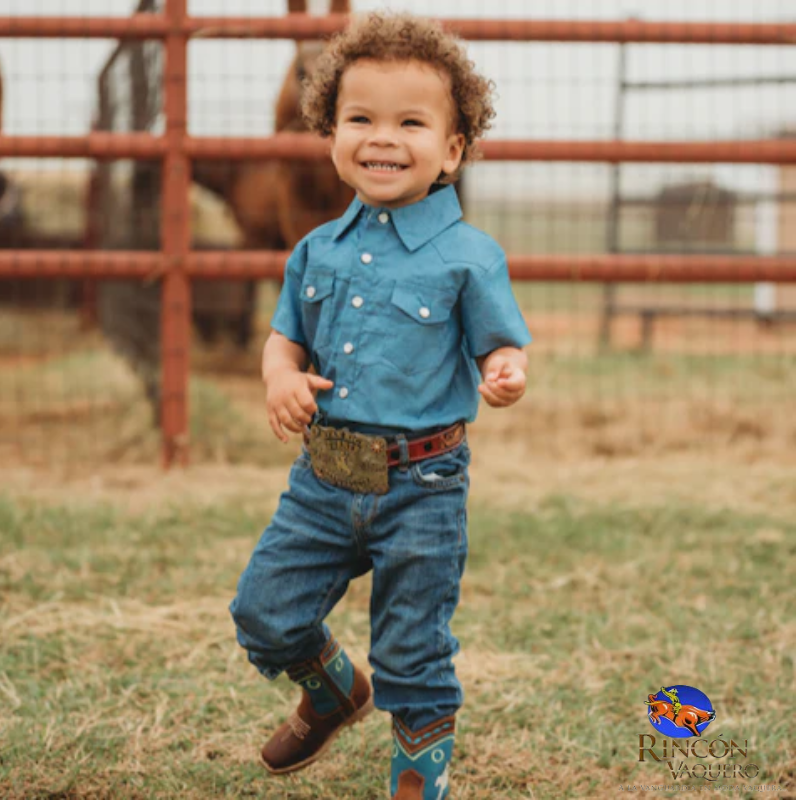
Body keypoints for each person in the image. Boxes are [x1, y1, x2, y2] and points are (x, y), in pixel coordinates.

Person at [230, 11, 531, 800]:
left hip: (423, 491)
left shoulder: (470, 257)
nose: (382, 138)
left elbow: (502, 346)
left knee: (413, 650)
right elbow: (282, 341)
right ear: (331, 135)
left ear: (452, 149)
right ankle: (333, 690)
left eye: (410, 122)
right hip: (324, 482)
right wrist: (279, 378)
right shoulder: (313, 252)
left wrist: (504, 370)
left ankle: (416, 781)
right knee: (263, 612)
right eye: (359, 119)